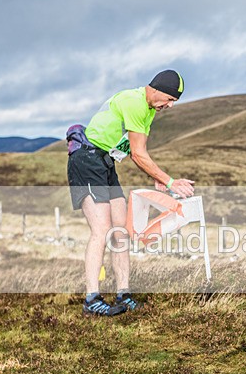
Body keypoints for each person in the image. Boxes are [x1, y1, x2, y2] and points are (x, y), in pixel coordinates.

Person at [66, 70, 195, 316]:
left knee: (121, 232)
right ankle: (91, 299)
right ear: (155, 89)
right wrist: (168, 182)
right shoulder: (135, 102)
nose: (169, 106)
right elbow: (137, 154)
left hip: (105, 162)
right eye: (169, 99)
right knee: (101, 230)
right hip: (86, 161)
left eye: (173, 103)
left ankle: (123, 294)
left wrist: (155, 177)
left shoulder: (148, 110)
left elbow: (137, 149)